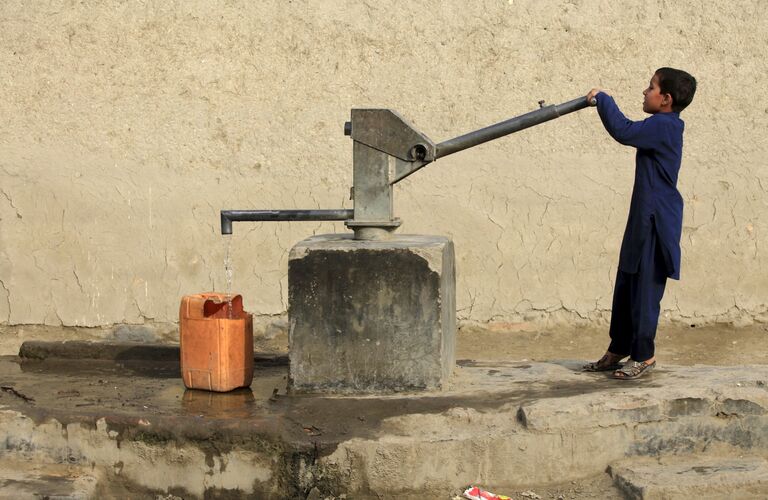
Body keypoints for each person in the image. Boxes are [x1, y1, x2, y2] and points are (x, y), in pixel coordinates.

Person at [583, 67, 697, 380]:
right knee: (626, 284)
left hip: (656, 220)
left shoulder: (665, 126)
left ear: (666, 100)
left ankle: (644, 356)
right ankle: (619, 347)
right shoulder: (661, 123)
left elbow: (624, 131)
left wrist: (603, 99)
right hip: (642, 216)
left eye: (651, 88)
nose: (645, 92)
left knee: (646, 289)